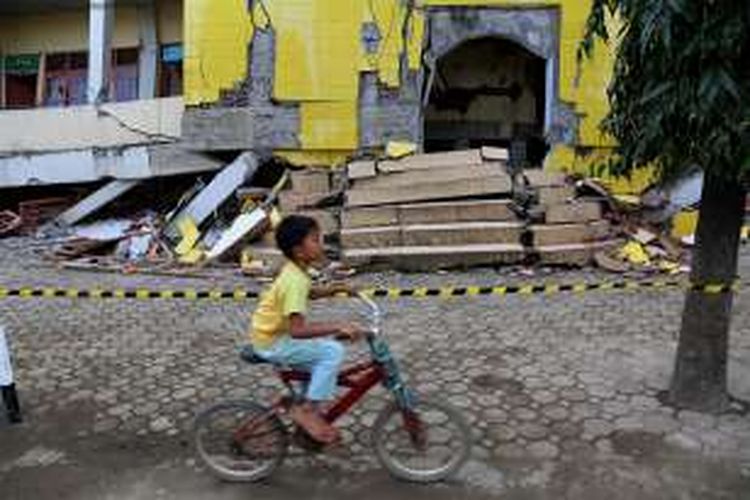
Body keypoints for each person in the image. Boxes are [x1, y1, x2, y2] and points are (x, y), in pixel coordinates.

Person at [249, 215, 362, 444]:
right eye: (315, 240)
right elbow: (297, 331)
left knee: (318, 358)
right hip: (274, 342)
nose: (321, 244)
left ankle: (301, 402)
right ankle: (308, 411)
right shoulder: (295, 280)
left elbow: (309, 292)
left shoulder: (296, 270)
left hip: (267, 335)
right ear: (299, 250)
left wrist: (334, 289)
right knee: (331, 352)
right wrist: (339, 325)